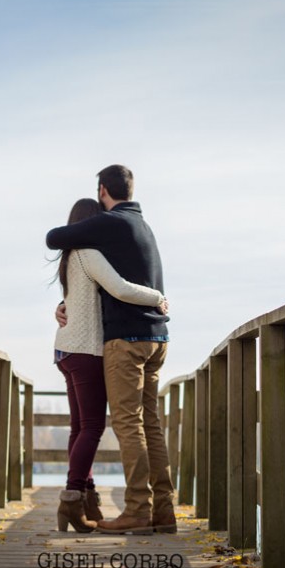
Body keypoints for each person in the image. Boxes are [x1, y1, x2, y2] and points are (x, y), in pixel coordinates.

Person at [46, 164, 175, 535]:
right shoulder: (143, 227)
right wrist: (66, 304)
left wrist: (156, 298)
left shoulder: (108, 224)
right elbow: (92, 291)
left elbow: (55, 237)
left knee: (126, 425)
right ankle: (163, 511)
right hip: (157, 338)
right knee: (150, 424)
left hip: (127, 340)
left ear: (103, 190)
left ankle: (136, 510)